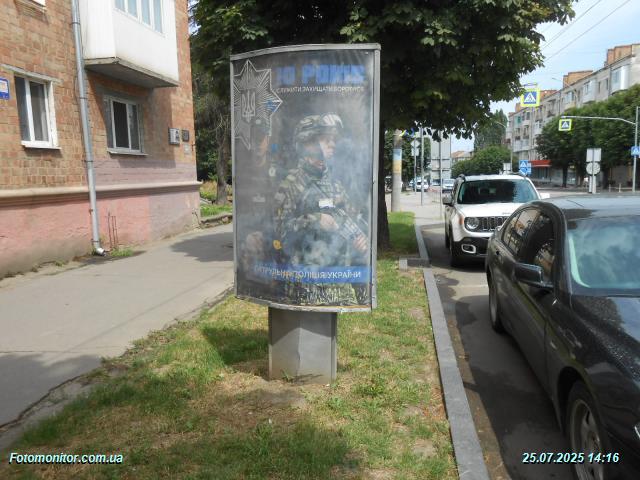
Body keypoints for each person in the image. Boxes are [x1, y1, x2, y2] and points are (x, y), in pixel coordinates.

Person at [273, 113, 368, 306]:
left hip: (337, 287)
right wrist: (315, 220)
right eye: (326, 139)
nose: (332, 144)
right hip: (305, 289)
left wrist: (360, 239)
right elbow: (278, 232)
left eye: (333, 139)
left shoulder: (335, 184)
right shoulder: (292, 184)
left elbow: (350, 221)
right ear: (308, 143)